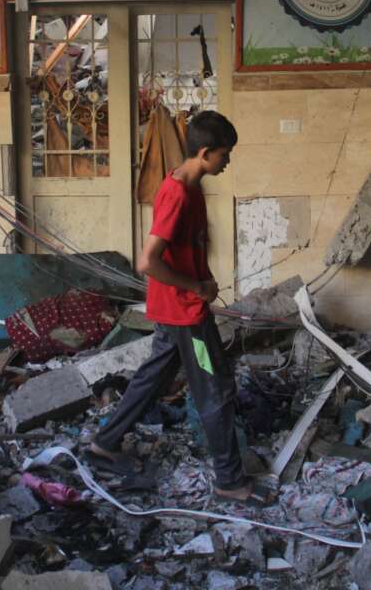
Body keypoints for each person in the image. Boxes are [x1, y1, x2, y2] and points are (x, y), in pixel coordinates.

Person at [88, 110, 271, 505]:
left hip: (176, 312)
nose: (228, 161)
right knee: (215, 389)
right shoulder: (177, 194)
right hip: (186, 315)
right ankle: (229, 479)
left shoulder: (188, 184)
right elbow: (147, 261)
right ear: (205, 152)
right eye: (225, 154)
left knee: (152, 378)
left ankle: (105, 441)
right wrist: (197, 286)